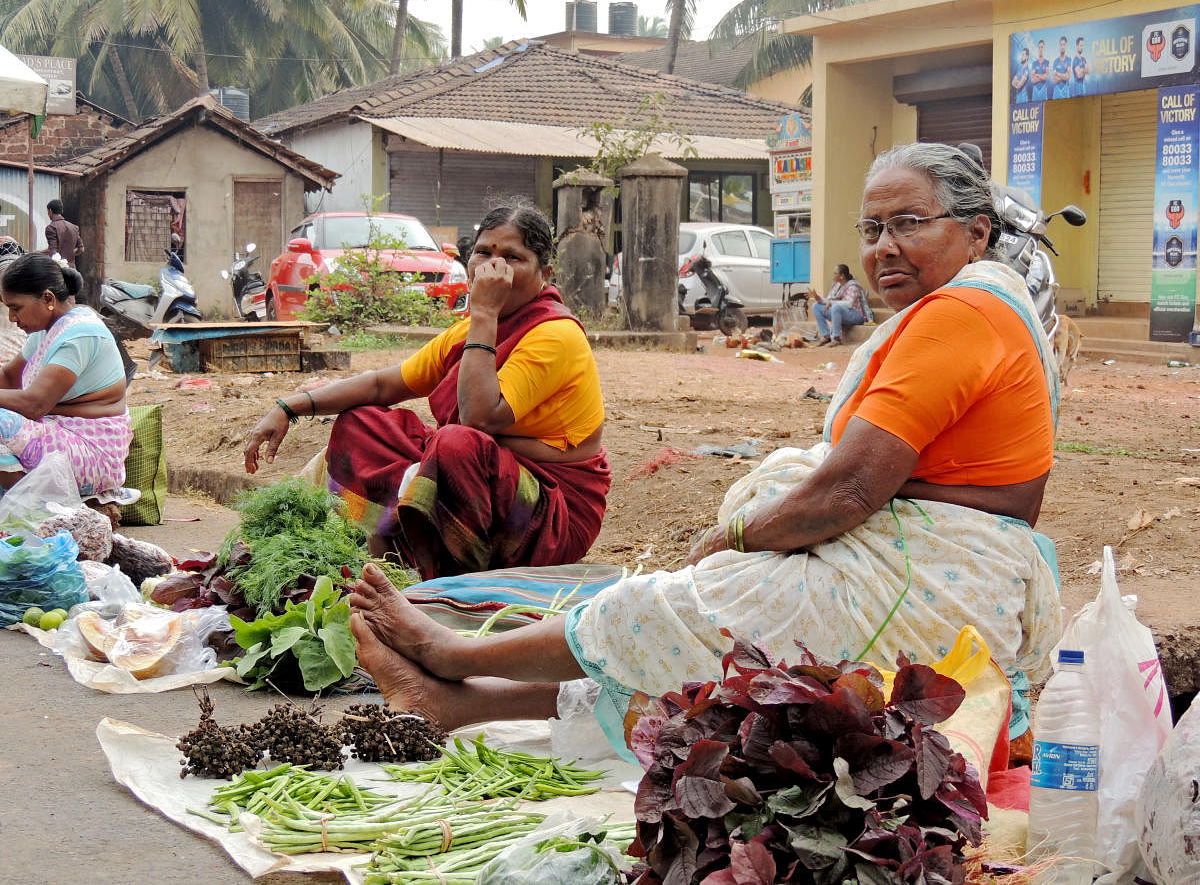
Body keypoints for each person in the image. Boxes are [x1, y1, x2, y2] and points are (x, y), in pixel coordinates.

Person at [346, 142, 1063, 754]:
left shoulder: (961, 314)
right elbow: (406, 387)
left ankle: (452, 656)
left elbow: (849, 491)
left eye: (909, 223)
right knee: (714, 653)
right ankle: (458, 703)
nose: (884, 247)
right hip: (952, 564)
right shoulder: (968, 307)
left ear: (976, 232)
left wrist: (737, 536)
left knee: (671, 609)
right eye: (872, 228)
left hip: (940, 572)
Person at [243, 202, 611, 580]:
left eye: (512, 258)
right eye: (483, 253)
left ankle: (441, 576)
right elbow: (383, 384)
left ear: (544, 274)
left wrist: (484, 313)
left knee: (455, 444)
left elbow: (478, 418)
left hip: (549, 512)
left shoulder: (556, 334)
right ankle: (396, 544)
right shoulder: (466, 333)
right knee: (362, 422)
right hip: (480, 474)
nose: (492, 269)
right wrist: (289, 407)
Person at [0, 253, 131, 495]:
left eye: (16, 308)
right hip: (61, 437)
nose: (12, 318)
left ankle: (27, 511)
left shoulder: (79, 333)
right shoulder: (46, 329)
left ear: (48, 299)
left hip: (92, 451)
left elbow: (35, 404)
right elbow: (9, 377)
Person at [807, 264, 869, 345]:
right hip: (840, 312)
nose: (833, 275)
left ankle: (836, 338)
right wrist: (817, 297)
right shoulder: (837, 286)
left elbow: (849, 304)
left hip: (855, 315)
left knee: (836, 307)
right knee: (816, 306)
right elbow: (829, 300)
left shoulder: (853, 286)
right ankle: (826, 336)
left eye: (835, 273)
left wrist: (832, 303)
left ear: (842, 276)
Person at [42, 200, 83, 270]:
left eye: (47, 211)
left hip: (58, 271)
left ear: (50, 211)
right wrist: (70, 254)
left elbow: (52, 251)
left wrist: (34, 252)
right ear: (61, 211)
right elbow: (81, 249)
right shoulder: (74, 227)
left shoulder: (51, 227)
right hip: (72, 270)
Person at [1051, 36, 1072, 101]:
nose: (1062, 46)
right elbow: (1054, 80)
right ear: (1059, 46)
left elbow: (1068, 77)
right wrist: (1064, 75)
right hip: (1056, 92)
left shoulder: (1069, 59)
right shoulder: (1055, 61)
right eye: (1061, 45)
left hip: (1065, 91)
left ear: (1066, 46)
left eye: (1064, 45)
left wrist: (1057, 73)